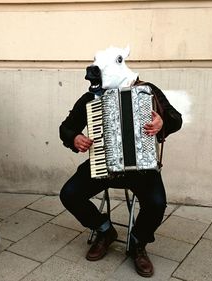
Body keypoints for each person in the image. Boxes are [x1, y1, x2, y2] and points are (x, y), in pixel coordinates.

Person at [59, 47, 182, 277]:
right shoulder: (91, 98)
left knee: (157, 203)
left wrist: (161, 124)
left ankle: (138, 242)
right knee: (69, 193)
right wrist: (75, 137)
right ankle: (104, 230)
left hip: (142, 169)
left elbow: (176, 118)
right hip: (102, 164)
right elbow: (66, 127)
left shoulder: (148, 91)